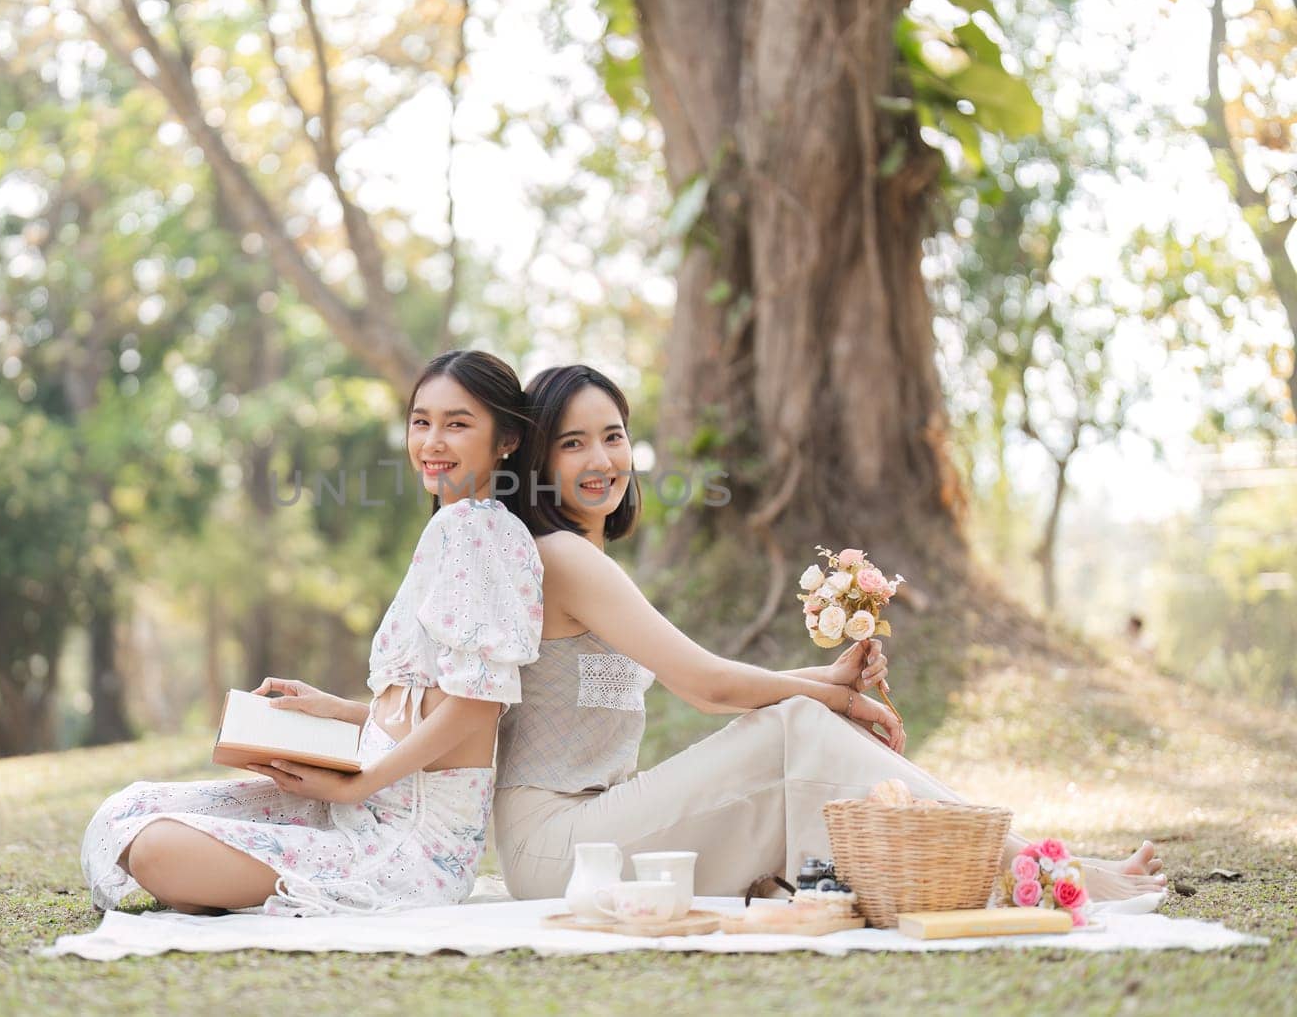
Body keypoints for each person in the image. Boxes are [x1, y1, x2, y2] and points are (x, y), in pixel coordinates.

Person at [492, 364, 1166, 901]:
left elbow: (709, 673)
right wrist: (831, 699)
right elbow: (702, 681)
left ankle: (1021, 861)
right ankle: (1043, 866)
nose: (600, 457)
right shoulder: (560, 555)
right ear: (538, 462)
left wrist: (825, 682)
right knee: (797, 724)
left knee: (799, 726)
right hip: (559, 847)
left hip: (595, 828)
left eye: (612, 435)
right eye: (572, 442)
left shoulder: (583, 556)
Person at [81, 350, 544, 916]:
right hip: (361, 805)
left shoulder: (481, 530)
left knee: (155, 845)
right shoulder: (454, 528)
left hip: (409, 841)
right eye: (421, 422)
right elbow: (431, 704)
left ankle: (228, 882)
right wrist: (339, 712)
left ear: (507, 439)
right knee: (137, 809)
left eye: (457, 424)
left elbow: (477, 710)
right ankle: (227, 880)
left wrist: (358, 783)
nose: (432, 442)